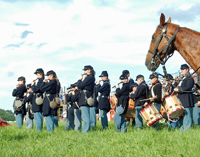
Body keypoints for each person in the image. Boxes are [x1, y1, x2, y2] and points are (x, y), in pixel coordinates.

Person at [174, 64, 194, 131]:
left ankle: (187, 130)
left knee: (187, 116)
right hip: (182, 99)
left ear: (187, 69)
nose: (181, 71)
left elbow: (188, 87)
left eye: (183, 69)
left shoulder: (190, 78)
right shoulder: (182, 78)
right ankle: (182, 130)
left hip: (186, 99)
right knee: (182, 116)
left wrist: (179, 90)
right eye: (181, 69)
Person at [77, 65, 95, 133]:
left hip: (85, 97)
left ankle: (85, 130)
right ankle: (86, 130)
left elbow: (80, 86)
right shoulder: (91, 77)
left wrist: (80, 79)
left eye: (85, 70)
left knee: (85, 116)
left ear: (89, 70)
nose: (84, 72)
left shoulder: (89, 77)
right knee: (86, 115)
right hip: (87, 96)